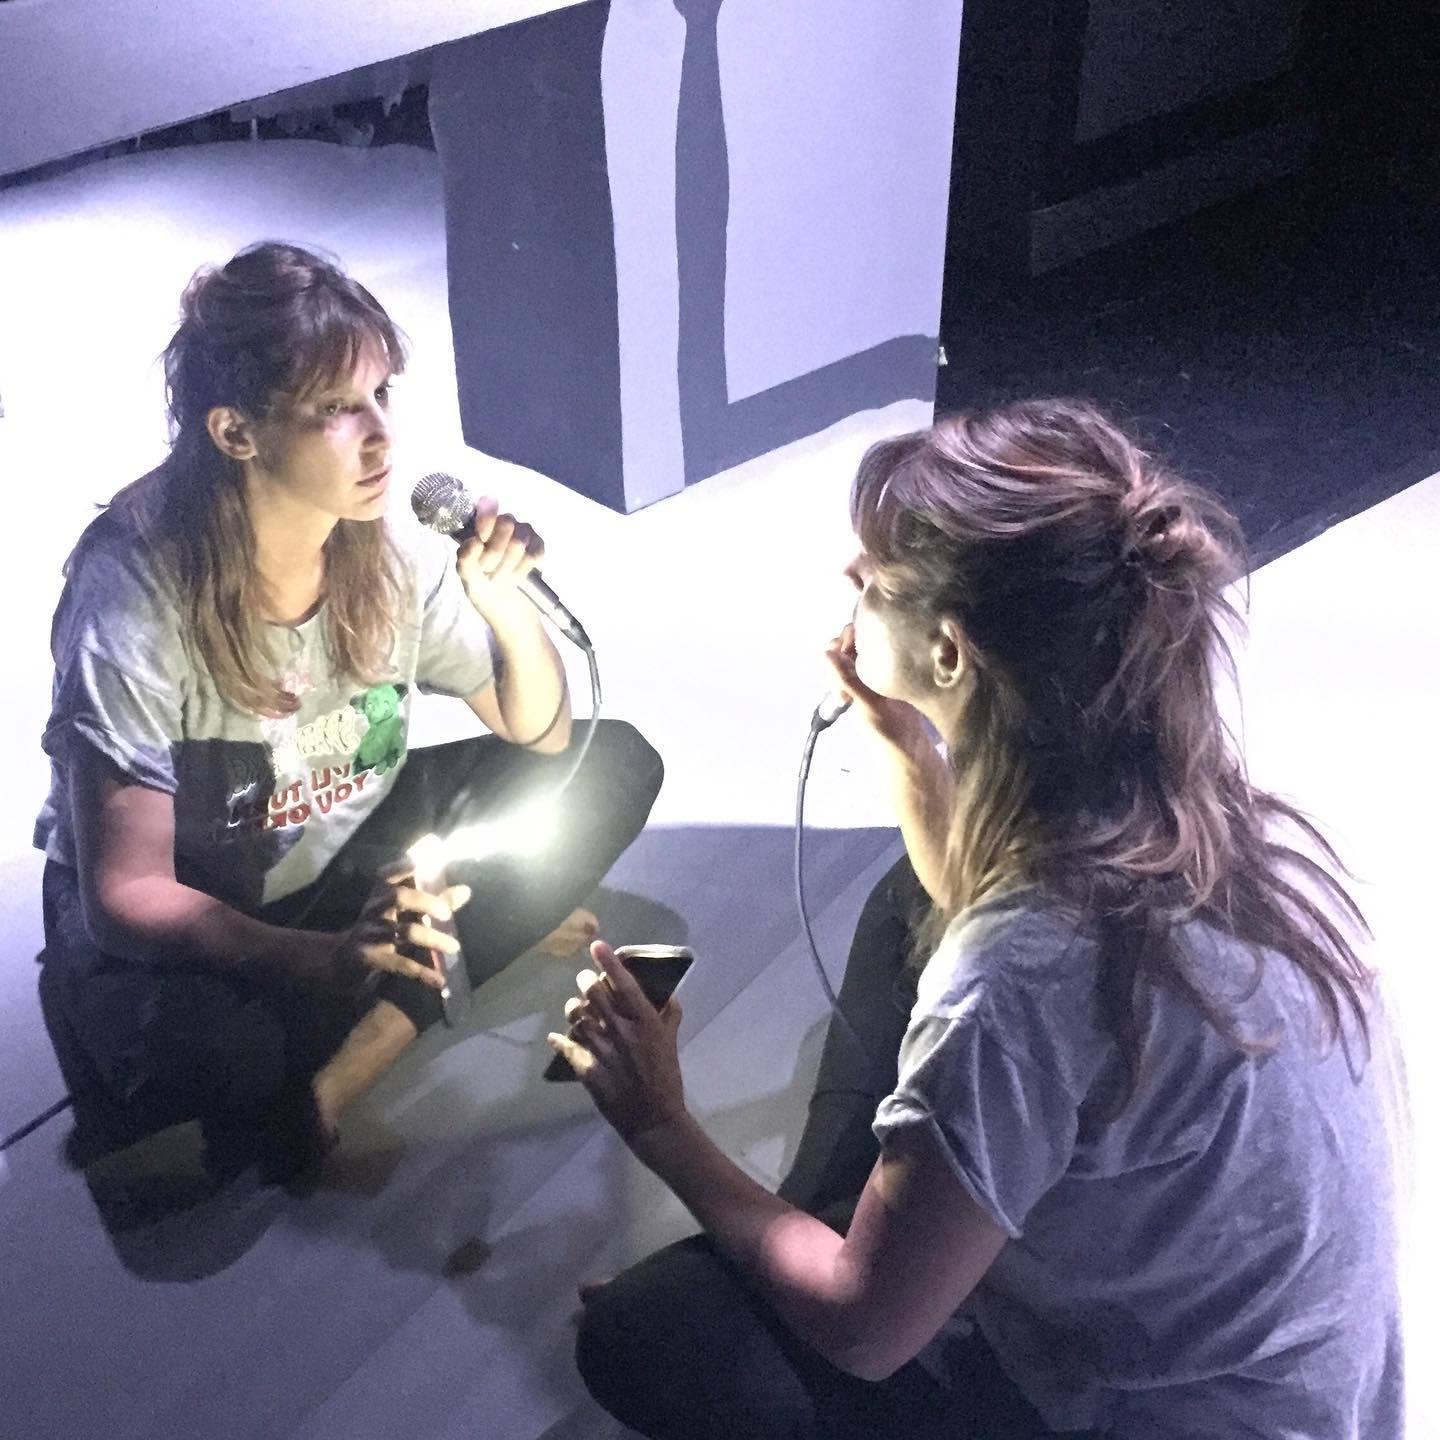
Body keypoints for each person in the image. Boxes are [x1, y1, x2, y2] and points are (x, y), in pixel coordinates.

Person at [550, 400, 1405, 1439]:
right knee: (906, 902)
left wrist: (661, 1124)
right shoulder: (1215, 824)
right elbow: (987, 916)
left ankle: (810, 1250)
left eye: (873, 579)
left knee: (648, 1335)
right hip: (1305, 1398)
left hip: (1143, 1417)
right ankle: (824, 1236)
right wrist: (911, 748)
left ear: (951, 653)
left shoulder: (1022, 973)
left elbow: (866, 1331)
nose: (850, 581)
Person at [35, 240, 663, 1178]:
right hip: (201, 897)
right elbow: (127, 892)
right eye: (336, 408)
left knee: (612, 766)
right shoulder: (135, 586)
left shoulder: (384, 543)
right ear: (235, 432)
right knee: (218, 1060)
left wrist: (506, 609)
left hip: (341, 845)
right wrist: (318, 959)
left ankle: (359, 1056)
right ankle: (451, 951)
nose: (380, 437)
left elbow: (541, 734)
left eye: (381, 395)